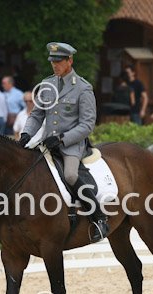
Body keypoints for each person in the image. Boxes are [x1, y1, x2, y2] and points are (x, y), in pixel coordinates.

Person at [18, 42, 108, 242]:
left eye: (59, 61)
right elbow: (37, 115)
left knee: (70, 175)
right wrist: (26, 134)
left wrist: (61, 139)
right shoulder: (47, 85)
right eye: (52, 61)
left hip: (72, 145)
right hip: (47, 143)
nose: (55, 65)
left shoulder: (83, 88)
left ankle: (99, 218)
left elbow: (87, 125)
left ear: (70, 61)